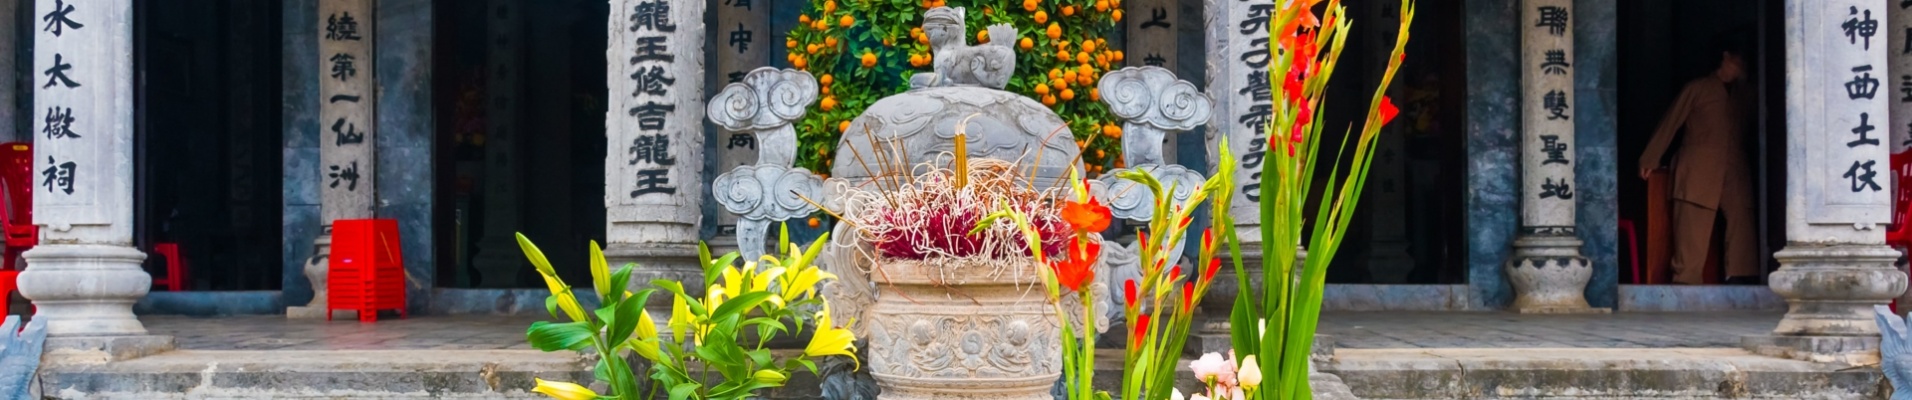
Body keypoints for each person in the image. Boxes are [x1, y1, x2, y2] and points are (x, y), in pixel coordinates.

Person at [1638, 41, 1757, 285]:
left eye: (1742, 65)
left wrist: (1745, 83)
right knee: (1693, 224)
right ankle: (1686, 280)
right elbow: (1671, 121)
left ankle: (1741, 276)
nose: (1737, 68)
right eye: (1735, 62)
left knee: (1741, 220)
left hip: (1734, 166)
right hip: (1699, 165)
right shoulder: (1698, 88)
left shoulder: (1743, 95)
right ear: (1724, 57)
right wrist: (1651, 157)